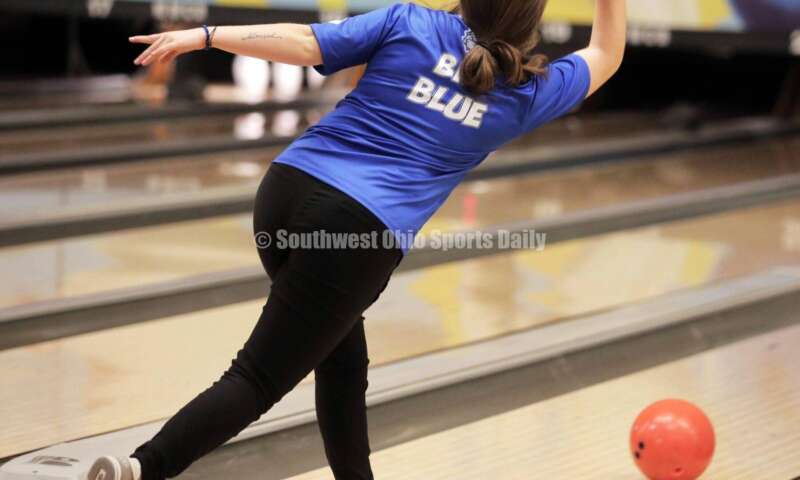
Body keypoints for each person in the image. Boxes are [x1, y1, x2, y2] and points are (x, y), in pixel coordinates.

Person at [89, 1, 627, 479]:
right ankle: (141, 469)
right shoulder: (527, 93)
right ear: (533, 22)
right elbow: (606, 51)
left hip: (285, 190)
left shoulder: (410, 20)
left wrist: (207, 36)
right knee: (256, 378)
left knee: (342, 355)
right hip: (354, 232)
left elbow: (305, 42)